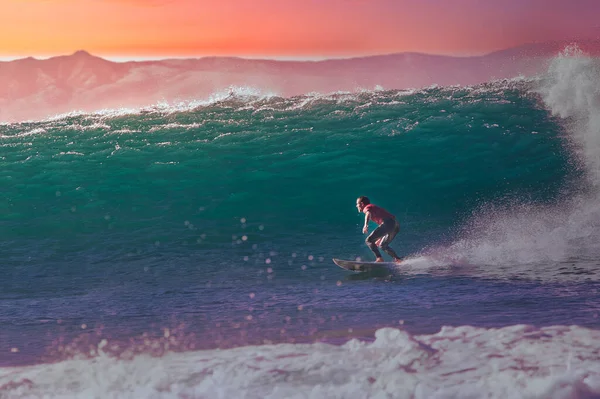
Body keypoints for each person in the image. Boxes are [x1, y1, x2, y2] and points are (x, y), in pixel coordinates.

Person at [356, 196, 402, 263]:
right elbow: (386, 228)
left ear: (362, 204)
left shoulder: (367, 207)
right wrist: (380, 238)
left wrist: (365, 225)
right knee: (382, 245)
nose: (356, 206)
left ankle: (379, 258)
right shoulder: (373, 207)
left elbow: (368, 213)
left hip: (388, 223)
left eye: (357, 204)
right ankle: (398, 259)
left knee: (369, 240)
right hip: (395, 224)